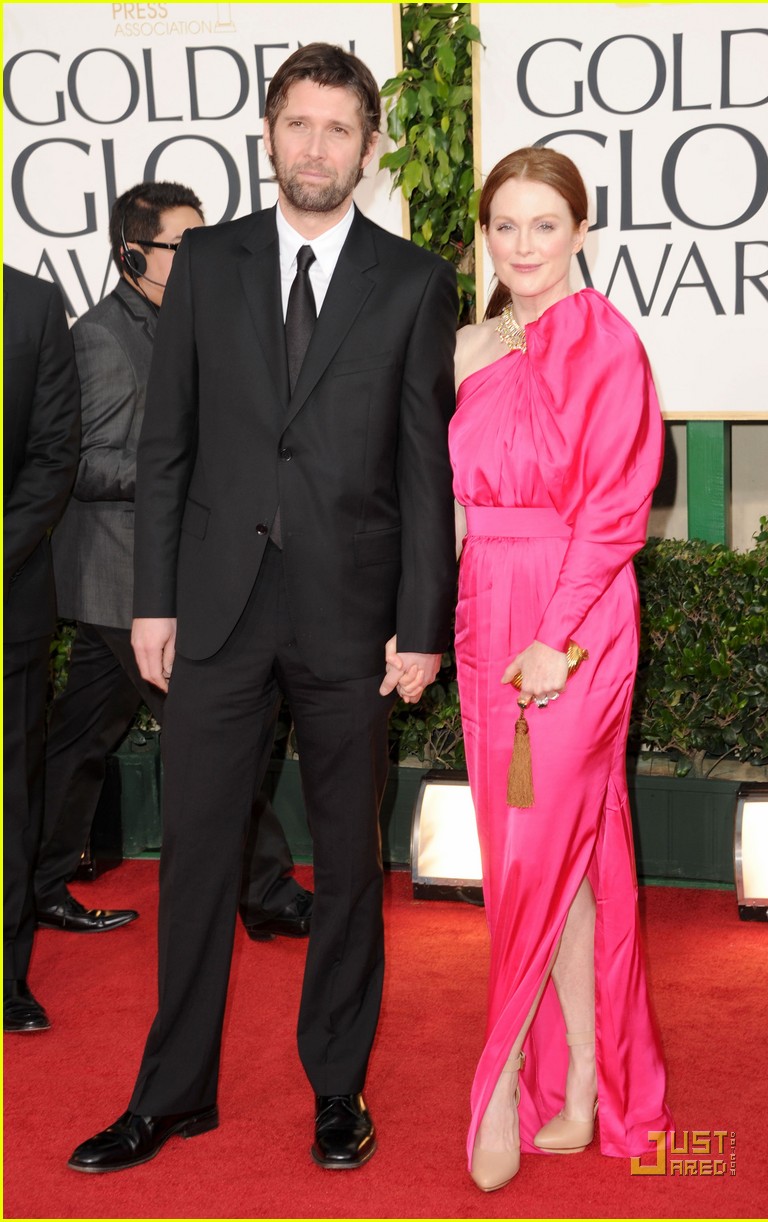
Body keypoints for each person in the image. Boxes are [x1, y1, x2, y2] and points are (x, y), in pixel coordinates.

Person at [68, 43, 457, 1174]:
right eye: (299, 124)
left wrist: (422, 618)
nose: (317, 147)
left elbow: (423, 466)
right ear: (270, 133)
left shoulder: (413, 280)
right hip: (217, 610)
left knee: (345, 856)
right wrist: (152, 601)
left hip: (349, 614)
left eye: (340, 129)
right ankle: (170, 1091)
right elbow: (166, 443)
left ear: (369, 148)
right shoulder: (210, 262)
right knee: (194, 855)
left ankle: (337, 1088)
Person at [449, 147, 673, 1192]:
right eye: (505, 225)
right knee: (541, 859)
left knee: (544, 852)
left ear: (579, 232)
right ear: (483, 235)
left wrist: (555, 636)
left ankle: (496, 1083)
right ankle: (581, 1075)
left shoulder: (607, 344)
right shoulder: (466, 349)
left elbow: (616, 510)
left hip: (571, 618)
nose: (523, 245)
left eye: (544, 225)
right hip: (482, 607)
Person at [35, 182, 312, 941]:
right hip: (118, 578)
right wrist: (186, 469)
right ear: (131, 256)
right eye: (180, 247)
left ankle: (37, 880)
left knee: (81, 738)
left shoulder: (189, 324)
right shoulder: (101, 338)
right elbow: (81, 465)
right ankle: (264, 892)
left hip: (141, 581)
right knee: (215, 732)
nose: (201, 259)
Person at [4, 266, 80, 1031]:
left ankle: (4, 976)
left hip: (8, 597)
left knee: (8, 802)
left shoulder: (29, 303)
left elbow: (53, 454)